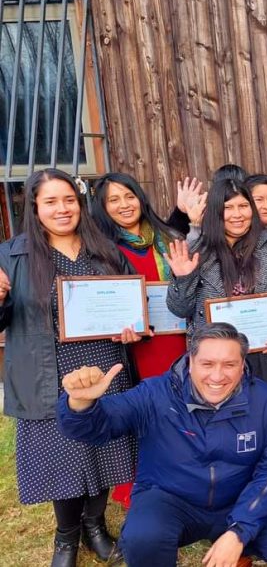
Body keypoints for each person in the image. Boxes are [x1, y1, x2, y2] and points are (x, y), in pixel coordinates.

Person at [56, 322, 267, 567]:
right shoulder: (154, 394)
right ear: (190, 361)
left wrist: (239, 532)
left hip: (237, 495)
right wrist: (81, 404)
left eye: (229, 364)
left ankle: (234, 548)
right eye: (207, 363)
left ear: (242, 365)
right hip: (170, 498)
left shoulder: (266, 399)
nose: (217, 375)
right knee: (142, 539)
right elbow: (100, 425)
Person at [0, 169, 138, 566]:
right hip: (50, 373)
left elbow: (131, 303)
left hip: (105, 366)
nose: (62, 209)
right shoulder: (12, 256)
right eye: (51, 202)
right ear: (35, 207)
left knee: (102, 448)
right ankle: (66, 536)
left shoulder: (105, 250)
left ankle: (95, 524)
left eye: (69, 201)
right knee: (63, 454)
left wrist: (132, 331)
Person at [92, 172, 189, 508]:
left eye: (129, 196)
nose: (124, 205)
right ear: (103, 208)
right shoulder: (101, 249)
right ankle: (141, 483)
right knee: (146, 410)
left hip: (176, 338)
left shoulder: (167, 237)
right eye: (114, 200)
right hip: (137, 346)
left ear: (140, 198)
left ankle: (180, 474)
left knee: (179, 406)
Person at [165, 179, 267, 403]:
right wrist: (184, 278)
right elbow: (180, 309)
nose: (237, 214)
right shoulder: (197, 251)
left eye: (243, 206)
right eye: (228, 207)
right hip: (220, 361)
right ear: (215, 212)